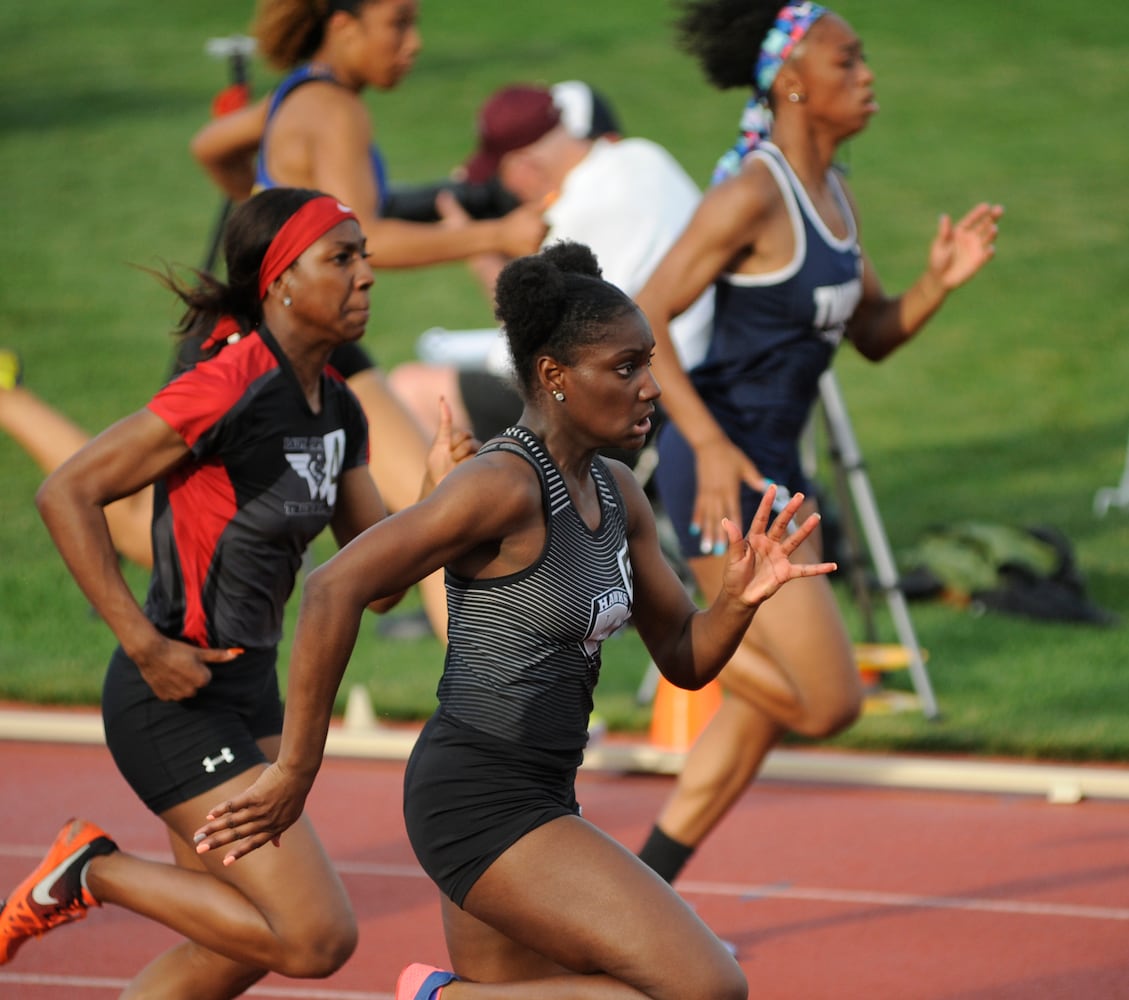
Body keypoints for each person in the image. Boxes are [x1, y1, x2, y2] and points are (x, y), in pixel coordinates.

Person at [190, 241, 838, 999]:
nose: (651, 388)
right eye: (626, 368)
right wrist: (295, 770)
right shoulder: (500, 484)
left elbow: (686, 660)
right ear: (554, 377)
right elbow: (336, 587)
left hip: (545, 790)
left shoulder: (619, 493)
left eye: (649, 363)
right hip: (476, 794)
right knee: (706, 989)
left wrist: (737, 598)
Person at [0, 188, 475, 994]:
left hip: (248, 697)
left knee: (231, 946)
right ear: (281, 279)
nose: (368, 275)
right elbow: (67, 492)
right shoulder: (228, 385)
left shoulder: (339, 411)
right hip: (173, 699)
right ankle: (92, 870)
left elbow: (375, 583)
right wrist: (144, 644)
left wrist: (433, 501)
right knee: (316, 935)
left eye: (364, 255)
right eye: (343, 258)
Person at [631, 0, 1004, 885]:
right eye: (847, 62)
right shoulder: (752, 193)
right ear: (791, 80)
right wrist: (708, 442)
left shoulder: (833, 193)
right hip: (719, 471)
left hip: (779, 474)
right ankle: (659, 631)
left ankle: (640, 891)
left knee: (755, 723)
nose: (865, 75)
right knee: (830, 701)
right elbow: (643, 312)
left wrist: (937, 284)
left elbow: (870, 332)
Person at [189, 0, 548, 639]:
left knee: (425, 514)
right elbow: (369, 233)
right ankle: (485, 709)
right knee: (437, 512)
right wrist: (497, 232)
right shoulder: (335, 109)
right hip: (293, 346)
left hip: (292, 338)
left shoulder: (292, 100)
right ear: (344, 25)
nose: (413, 43)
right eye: (399, 24)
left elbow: (210, 146)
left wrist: (263, 216)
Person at [387, 82, 713, 444]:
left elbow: (516, 351)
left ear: (524, 167)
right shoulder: (644, 156)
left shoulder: (575, 215)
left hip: (641, 412)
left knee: (410, 389)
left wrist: (475, 243)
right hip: (690, 383)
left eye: (502, 177)